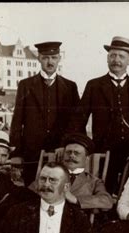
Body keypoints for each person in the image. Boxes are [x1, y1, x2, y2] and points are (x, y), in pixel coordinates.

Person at [68, 36, 129, 194]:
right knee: (104, 187)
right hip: (104, 149)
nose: (116, 60)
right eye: (112, 55)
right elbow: (79, 120)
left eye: (121, 56)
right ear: (107, 58)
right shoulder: (94, 85)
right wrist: (83, 147)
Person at [10, 41, 80, 186]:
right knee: (31, 190)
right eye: (46, 58)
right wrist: (16, 152)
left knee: (58, 188)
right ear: (39, 58)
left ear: (59, 58)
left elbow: (76, 122)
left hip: (61, 151)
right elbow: (17, 119)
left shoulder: (70, 86)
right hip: (32, 152)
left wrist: (66, 144)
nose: (50, 62)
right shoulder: (25, 85)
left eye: (54, 58)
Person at [60, 132, 113, 212]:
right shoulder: (50, 175)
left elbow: (106, 201)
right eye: (68, 152)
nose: (71, 156)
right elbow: (34, 191)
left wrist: (76, 200)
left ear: (86, 159)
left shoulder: (94, 181)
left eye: (76, 153)